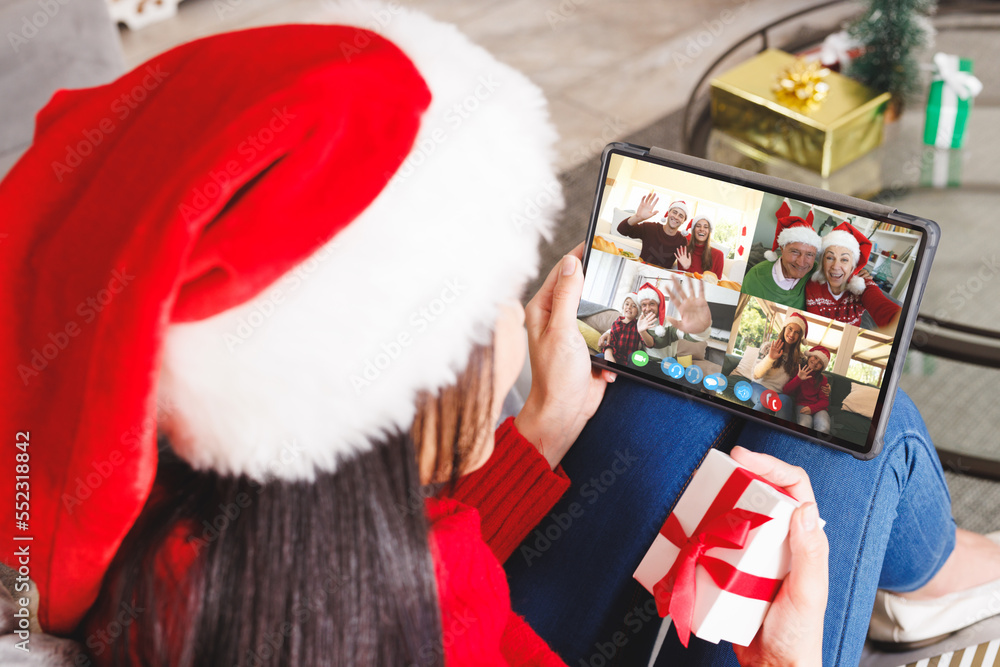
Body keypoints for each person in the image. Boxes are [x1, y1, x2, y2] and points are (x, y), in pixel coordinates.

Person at [5, 12, 1000, 667]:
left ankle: (928, 574)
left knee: (680, 386)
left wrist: (536, 433)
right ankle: (936, 572)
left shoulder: (186, 535)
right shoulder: (433, 611)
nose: (508, 319)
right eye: (473, 313)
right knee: (845, 431)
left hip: (484, 586)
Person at [806, 221, 902, 332]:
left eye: (844, 259)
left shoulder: (863, 285)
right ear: (823, 261)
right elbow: (816, 327)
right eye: (830, 258)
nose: (836, 266)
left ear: (853, 266)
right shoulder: (812, 287)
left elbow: (884, 307)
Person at [597, 280, 712, 365]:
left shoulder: (669, 325)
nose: (648, 308)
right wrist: (608, 333)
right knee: (631, 359)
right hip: (644, 361)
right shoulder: (638, 321)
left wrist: (700, 328)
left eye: (652, 304)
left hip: (666, 365)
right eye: (644, 305)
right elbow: (623, 325)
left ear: (659, 305)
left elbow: (688, 335)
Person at [741, 201, 821, 309]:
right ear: (782, 249)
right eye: (795, 252)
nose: (801, 262)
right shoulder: (756, 277)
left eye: (810, 254)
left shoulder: (817, 274)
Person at [749, 311, 809, 421]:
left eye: (796, 332)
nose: (791, 334)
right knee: (766, 399)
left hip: (780, 394)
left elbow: (811, 374)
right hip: (758, 386)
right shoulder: (768, 347)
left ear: (800, 337)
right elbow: (756, 375)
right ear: (784, 328)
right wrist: (770, 358)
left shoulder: (800, 359)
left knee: (786, 401)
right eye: (790, 329)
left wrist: (824, 386)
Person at [615, 193, 690, 268]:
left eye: (681, 216)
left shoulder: (682, 241)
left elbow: (685, 264)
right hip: (640, 270)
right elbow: (621, 230)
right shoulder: (650, 228)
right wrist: (637, 217)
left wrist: (686, 267)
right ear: (668, 213)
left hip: (660, 277)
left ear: (683, 221)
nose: (676, 217)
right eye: (674, 212)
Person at [783, 345, 832, 433]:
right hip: (802, 405)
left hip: (819, 408)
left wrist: (812, 408)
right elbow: (786, 391)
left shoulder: (823, 379)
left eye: (820, 362)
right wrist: (798, 379)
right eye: (815, 357)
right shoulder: (798, 371)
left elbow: (825, 401)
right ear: (810, 355)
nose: (816, 362)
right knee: (804, 425)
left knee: (824, 427)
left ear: (822, 367)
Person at [675, 213, 725, 278]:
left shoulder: (718, 255)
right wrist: (686, 268)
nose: (702, 229)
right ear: (693, 230)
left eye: (706, 227)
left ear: (709, 231)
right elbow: (682, 282)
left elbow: (717, 284)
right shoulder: (683, 252)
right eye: (698, 226)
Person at [600, 293, 643, 366]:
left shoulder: (639, 326)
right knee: (598, 358)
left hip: (628, 361)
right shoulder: (616, 324)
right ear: (623, 306)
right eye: (627, 304)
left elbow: (645, 343)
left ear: (638, 311)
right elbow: (611, 343)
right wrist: (609, 356)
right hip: (614, 356)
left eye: (633, 306)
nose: (629, 307)